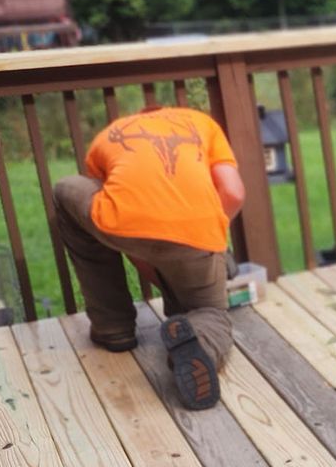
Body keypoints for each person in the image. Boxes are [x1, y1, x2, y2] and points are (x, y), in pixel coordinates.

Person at [52, 105, 245, 409]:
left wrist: (155, 268)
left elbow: (124, 220)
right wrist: (214, 244)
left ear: (140, 115)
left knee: (66, 190)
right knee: (210, 312)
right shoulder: (202, 124)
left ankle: (112, 326)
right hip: (199, 232)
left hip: (125, 226)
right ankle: (202, 344)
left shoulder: (111, 135)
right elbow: (233, 193)